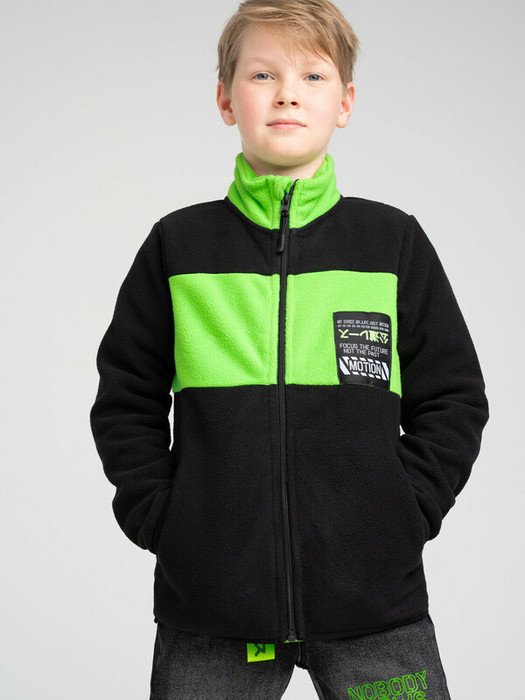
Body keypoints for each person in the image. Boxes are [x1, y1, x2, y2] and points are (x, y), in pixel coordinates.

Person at [89, 1, 490, 698]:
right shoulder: (178, 247)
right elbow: (125, 399)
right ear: (225, 99)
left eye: (312, 75)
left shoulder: (391, 243)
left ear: (345, 102)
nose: (287, 94)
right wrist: (169, 521)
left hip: (374, 605)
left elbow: (454, 397)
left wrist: (403, 512)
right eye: (262, 74)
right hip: (213, 608)